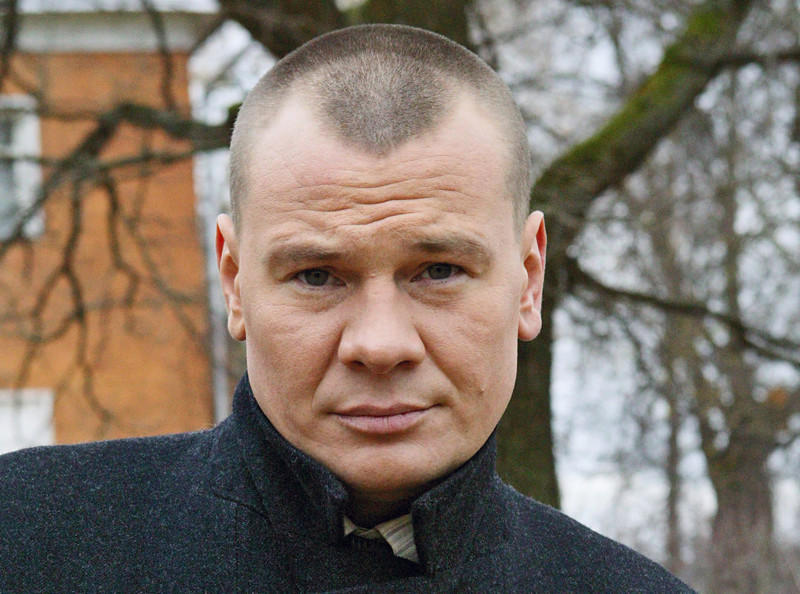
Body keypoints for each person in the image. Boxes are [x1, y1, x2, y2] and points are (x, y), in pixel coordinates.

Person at [0, 24, 693, 592]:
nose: (380, 344)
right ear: (235, 282)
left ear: (528, 280)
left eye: (440, 271)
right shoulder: (29, 542)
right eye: (316, 276)